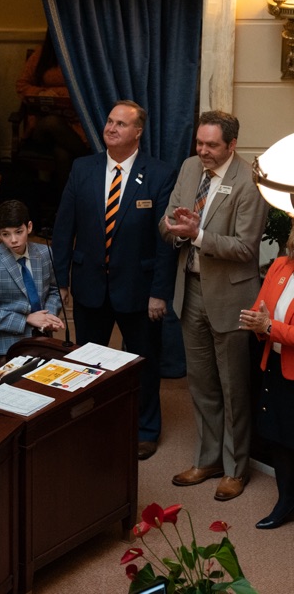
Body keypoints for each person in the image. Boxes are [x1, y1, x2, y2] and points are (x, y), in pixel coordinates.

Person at [52, 100, 178, 461]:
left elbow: (165, 242)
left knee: (144, 362)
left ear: (137, 132)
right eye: (109, 121)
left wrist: (159, 292)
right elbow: (64, 229)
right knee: (87, 363)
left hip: (139, 288)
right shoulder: (83, 168)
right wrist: (61, 281)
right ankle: (91, 423)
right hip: (89, 283)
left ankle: (145, 430)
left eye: (121, 124)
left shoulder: (158, 175)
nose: (111, 128)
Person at [160, 110, 269, 501]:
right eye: (200, 143)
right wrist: (174, 229)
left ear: (232, 145)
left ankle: (235, 468)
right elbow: (166, 219)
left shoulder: (248, 182)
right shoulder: (190, 168)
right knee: (201, 382)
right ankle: (208, 460)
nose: (203, 151)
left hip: (231, 297)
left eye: (212, 145)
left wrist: (199, 234)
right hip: (188, 290)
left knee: (233, 386)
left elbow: (245, 248)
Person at [239, 225, 294, 527]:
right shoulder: (279, 265)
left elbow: (271, 323)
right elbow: (260, 308)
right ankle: (285, 501)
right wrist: (256, 323)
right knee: (277, 435)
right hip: (275, 364)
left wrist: (269, 327)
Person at [0, 199, 64, 357]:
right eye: (6, 234)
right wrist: (27, 319)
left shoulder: (45, 253)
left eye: (18, 232)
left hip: (44, 337)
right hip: (9, 344)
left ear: (29, 227)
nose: (13, 240)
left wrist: (47, 316)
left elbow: (55, 290)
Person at [16, 29, 89, 196]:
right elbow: (22, 85)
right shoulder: (42, 55)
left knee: (62, 154)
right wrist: (41, 93)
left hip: (74, 125)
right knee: (52, 122)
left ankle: (64, 210)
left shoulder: (83, 56)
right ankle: (94, 163)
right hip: (42, 125)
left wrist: (63, 95)